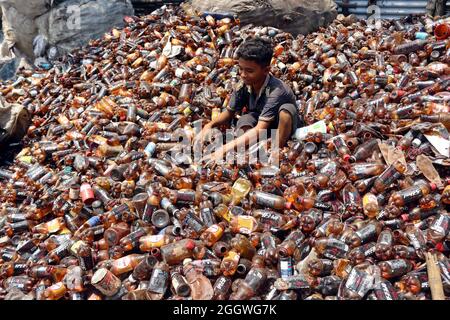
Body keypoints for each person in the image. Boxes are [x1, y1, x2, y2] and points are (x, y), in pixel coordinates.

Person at [194, 37, 302, 165]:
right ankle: (247, 150)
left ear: (266, 70)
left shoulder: (277, 90)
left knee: (286, 111)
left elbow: (260, 129)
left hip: (280, 127)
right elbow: (229, 112)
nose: (243, 74)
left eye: (249, 71)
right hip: (261, 122)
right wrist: (209, 125)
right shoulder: (244, 84)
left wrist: (223, 149)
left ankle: (275, 151)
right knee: (245, 119)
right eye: (241, 69)